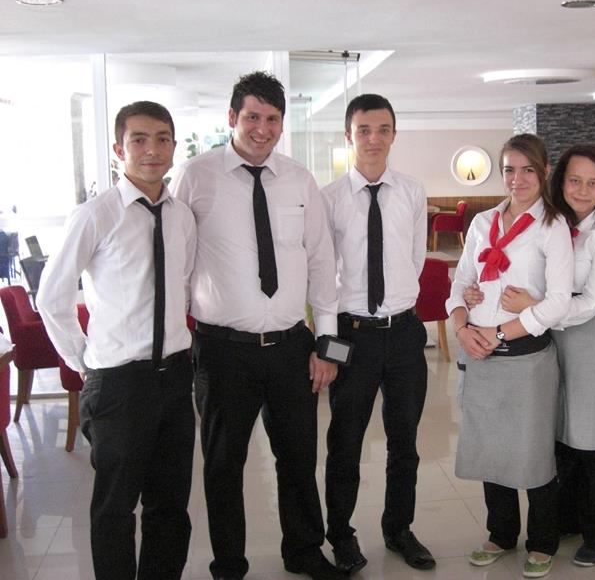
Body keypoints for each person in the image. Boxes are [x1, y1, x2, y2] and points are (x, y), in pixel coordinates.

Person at [171, 71, 343, 580]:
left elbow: (322, 262)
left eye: (272, 119)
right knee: (224, 464)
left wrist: (328, 346)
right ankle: (229, 563)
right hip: (222, 351)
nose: (262, 129)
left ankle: (305, 552)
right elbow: (178, 265)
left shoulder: (299, 179)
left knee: (299, 458)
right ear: (232, 117)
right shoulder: (195, 177)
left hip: (292, 347)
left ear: (282, 123)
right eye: (252, 117)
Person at [37, 101, 197, 580]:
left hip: (175, 377)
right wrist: (84, 362)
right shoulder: (96, 214)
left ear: (173, 146)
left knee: (171, 506)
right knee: (115, 507)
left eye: (162, 139)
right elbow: (52, 298)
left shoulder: (182, 215)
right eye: (138, 140)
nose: (152, 150)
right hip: (119, 383)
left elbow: (183, 283)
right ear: (118, 149)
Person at [463, 145, 595, 567]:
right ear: (560, 179)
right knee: (560, 438)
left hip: (594, 337)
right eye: (575, 180)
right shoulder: (558, 223)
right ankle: (567, 520)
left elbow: (590, 302)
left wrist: (534, 308)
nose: (582, 190)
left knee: (594, 440)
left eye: (593, 183)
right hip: (554, 337)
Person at [446, 133, 572, 578]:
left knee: (533, 452)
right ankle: (500, 534)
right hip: (481, 354)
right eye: (509, 170)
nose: (517, 179)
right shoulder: (483, 222)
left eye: (527, 170)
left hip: (526, 358)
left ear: (544, 172)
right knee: (491, 449)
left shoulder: (553, 227)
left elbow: (558, 303)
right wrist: (462, 327)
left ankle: (542, 541)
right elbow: (460, 283)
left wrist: (497, 331)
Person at [321, 94, 434, 575]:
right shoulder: (328, 199)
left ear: (393, 134)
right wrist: (326, 345)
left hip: (404, 332)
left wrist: (395, 305)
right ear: (348, 136)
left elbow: (415, 258)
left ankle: (399, 529)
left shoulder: (411, 191)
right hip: (352, 335)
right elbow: (321, 277)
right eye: (363, 130)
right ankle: (340, 535)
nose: (373, 139)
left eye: (383, 129)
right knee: (345, 443)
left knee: (404, 442)